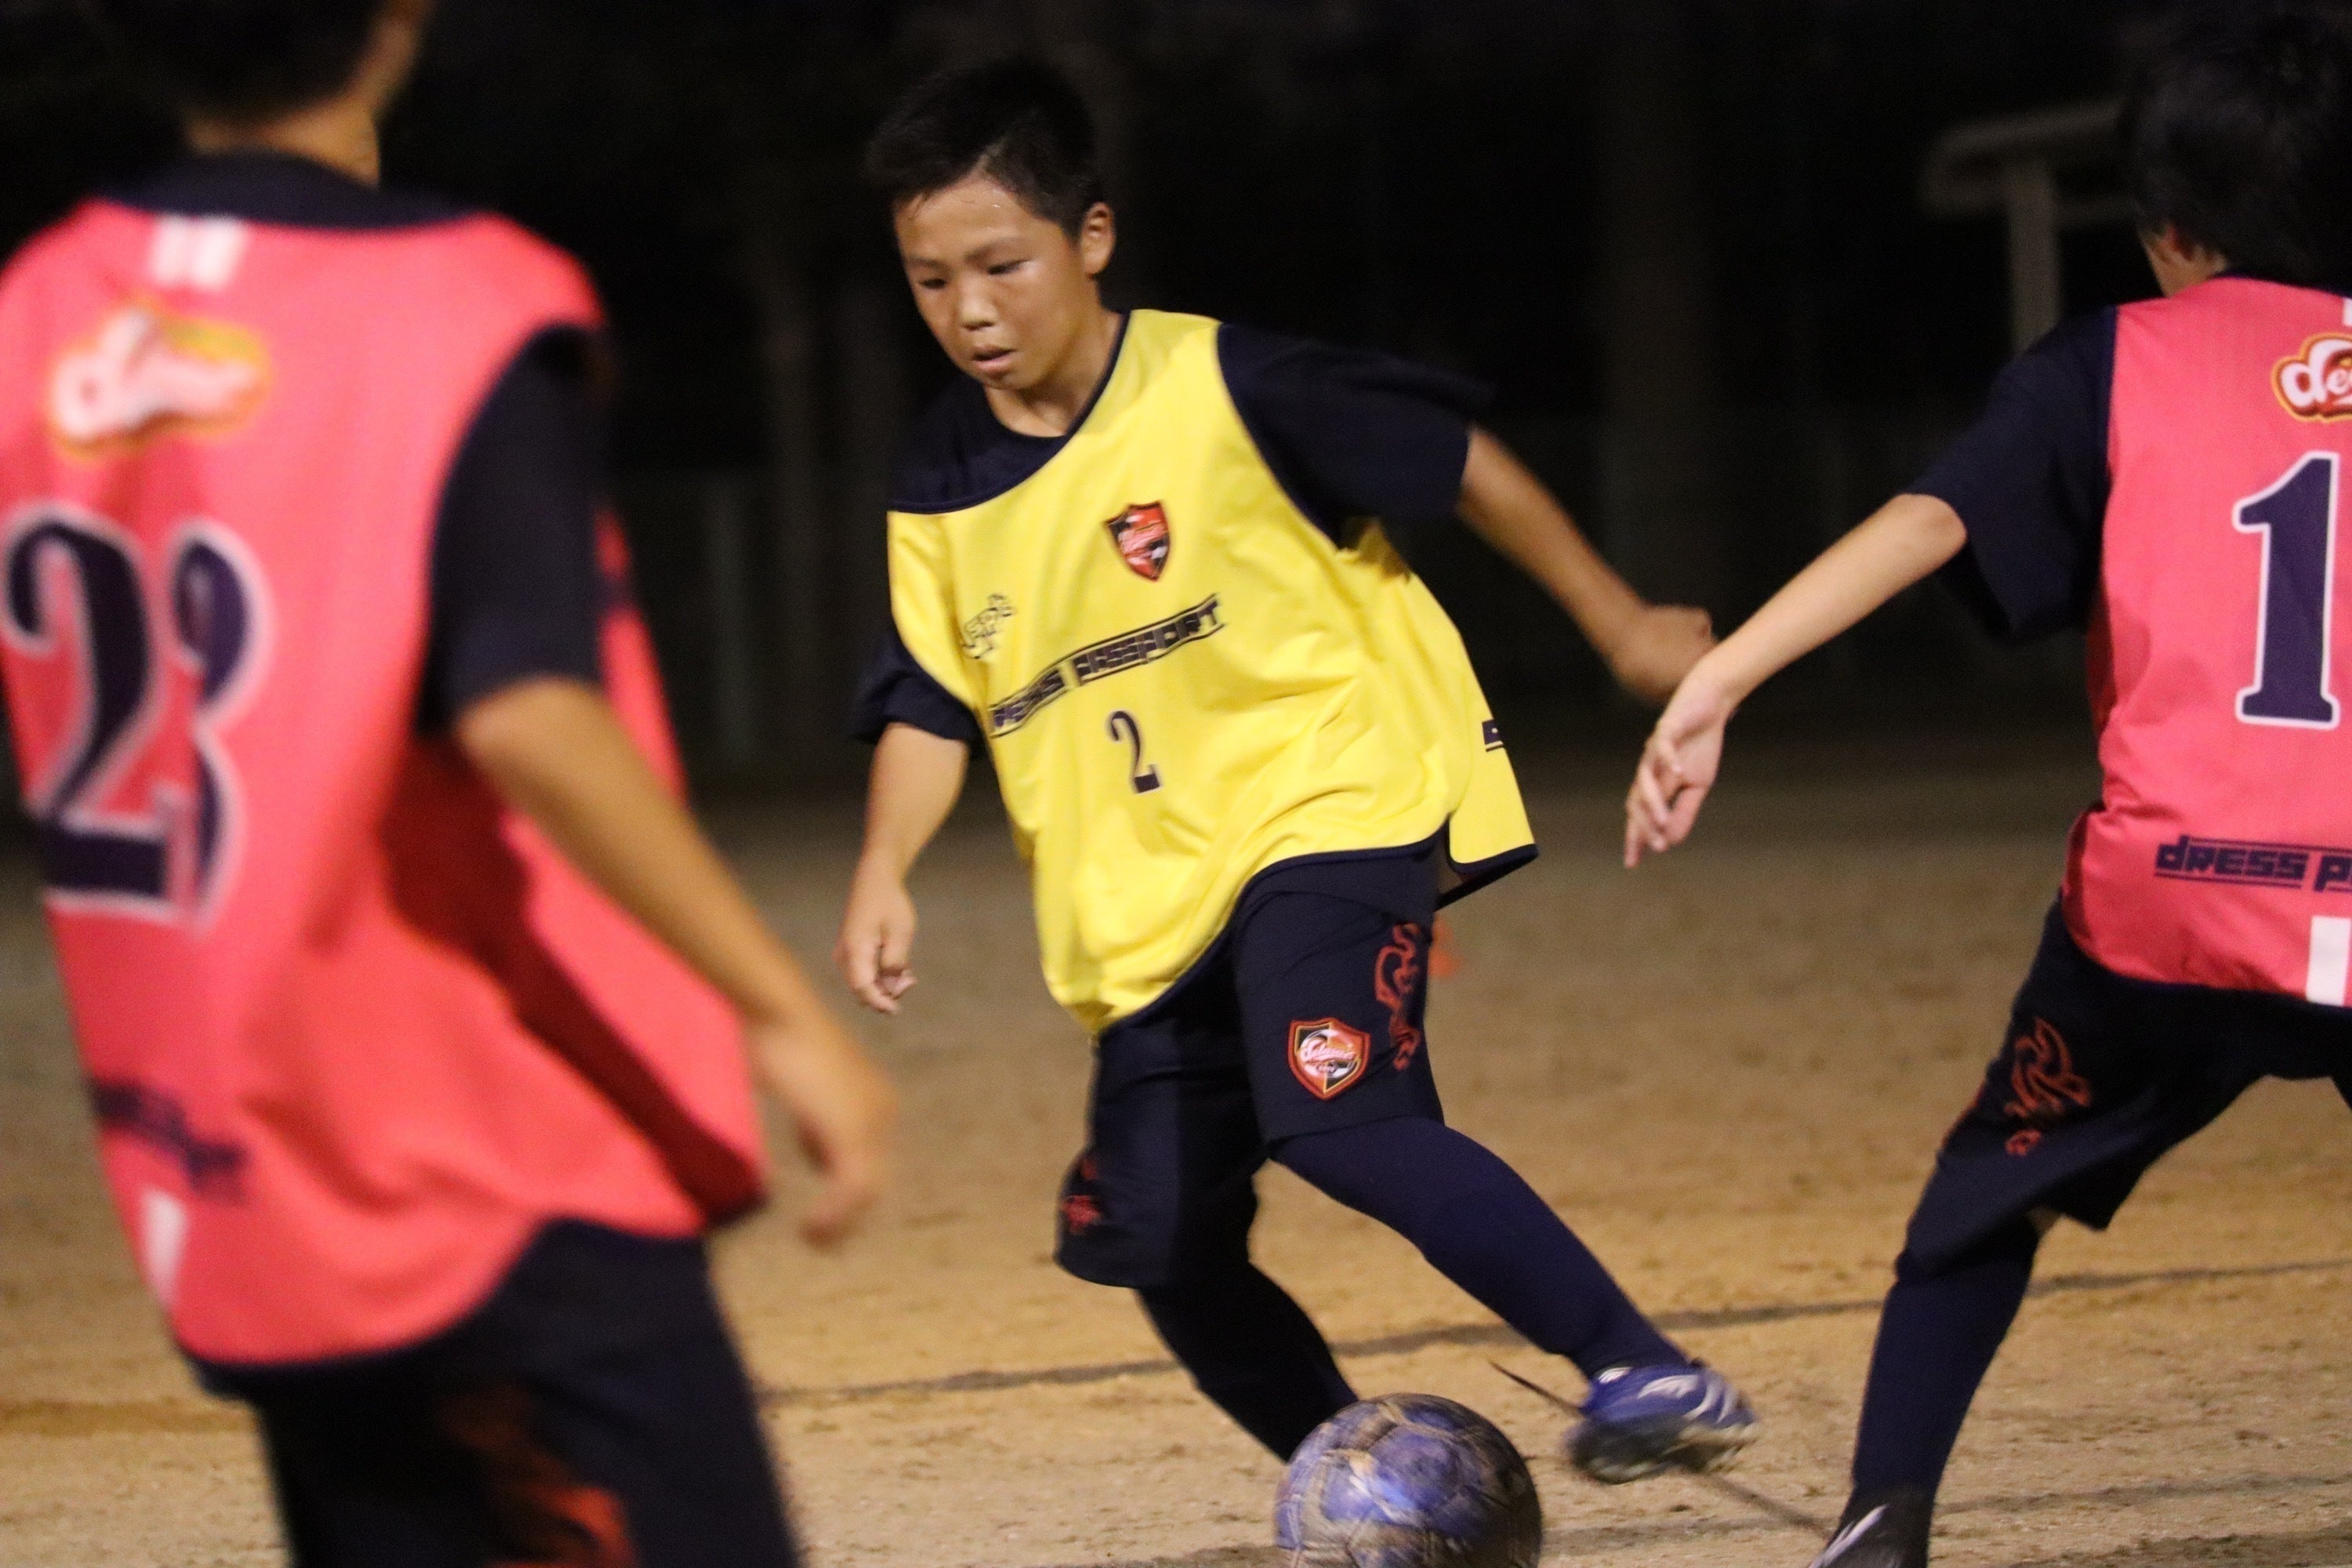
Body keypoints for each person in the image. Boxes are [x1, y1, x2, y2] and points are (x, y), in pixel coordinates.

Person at [0, 2, 896, 1563]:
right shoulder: (455, 302)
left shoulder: (39, 309)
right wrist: (780, 1012)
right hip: (476, 1153)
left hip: (228, 1172)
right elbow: (530, 711)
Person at [837, 56, 1755, 1482]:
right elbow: (927, 698)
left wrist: (1622, 623)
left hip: (1326, 803)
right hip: (1139, 909)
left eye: (1002, 266)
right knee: (1160, 1242)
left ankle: (1643, 1366)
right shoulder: (938, 479)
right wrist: (883, 868)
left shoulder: (1227, 382)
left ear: (1091, 236)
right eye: (930, 281)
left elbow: (1456, 457)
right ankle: (1369, 1484)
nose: (971, 311)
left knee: (1341, 1117)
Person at [1625, 5, 2352, 1563]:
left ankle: (1881, 1524)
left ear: (2169, 228)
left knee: (1982, 1206)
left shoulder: (2115, 361)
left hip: (2168, 913)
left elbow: (1930, 522)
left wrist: (1722, 674)